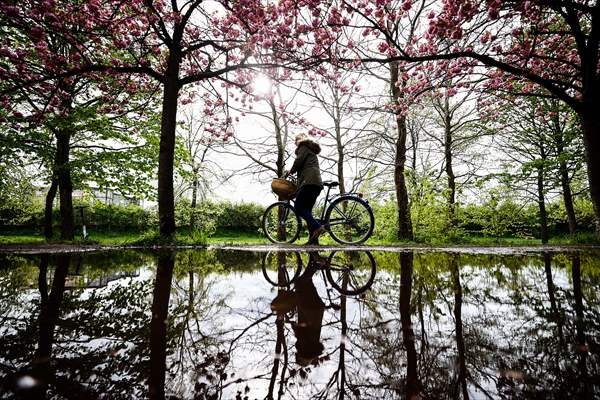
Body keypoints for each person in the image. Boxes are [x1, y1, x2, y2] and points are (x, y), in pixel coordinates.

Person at [286, 133, 325, 245]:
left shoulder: (303, 146)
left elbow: (298, 161)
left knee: (298, 207)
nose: (295, 142)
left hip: (309, 183)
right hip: (316, 183)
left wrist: (291, 171)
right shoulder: (311, 150)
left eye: (296, 140)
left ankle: (318, 227)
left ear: (301, 139)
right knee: (307, 212)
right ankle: (313, 241)